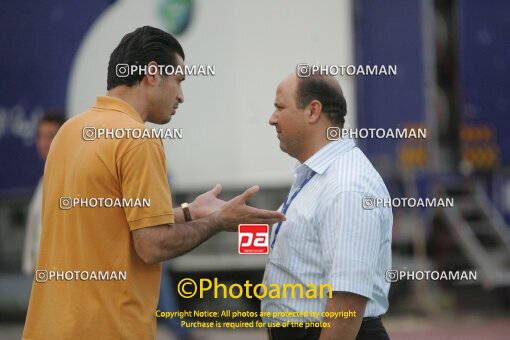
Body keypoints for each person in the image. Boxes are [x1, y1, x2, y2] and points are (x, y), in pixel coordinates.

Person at [22, 26, 284, 339]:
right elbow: (151, 244)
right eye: (179, 81)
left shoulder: (69, 132)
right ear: (152, 73)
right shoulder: (138, 138)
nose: (181, 97)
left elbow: (110, 222)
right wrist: (219, 222)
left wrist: (190, 211)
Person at [261, 73, 393, 340]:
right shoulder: (316, 174)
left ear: (313, 111)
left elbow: (347, 301)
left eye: (280, 107)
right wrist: (219, 221)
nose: (272, 118)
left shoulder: (346, 185)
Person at [21, 112, 66, 275]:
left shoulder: (73, 179)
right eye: (41, 136)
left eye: (51, 136)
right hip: (42, 273)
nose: (44, 143)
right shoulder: (44, 180)